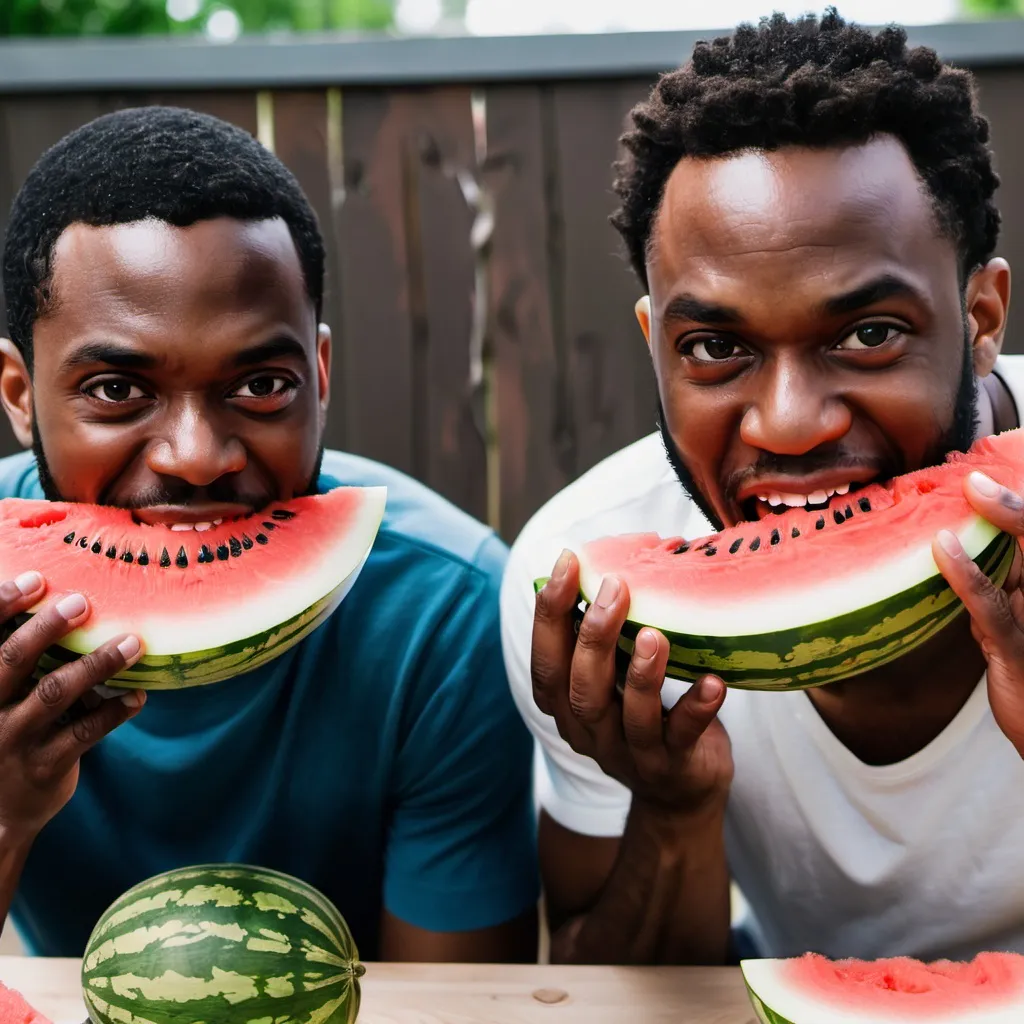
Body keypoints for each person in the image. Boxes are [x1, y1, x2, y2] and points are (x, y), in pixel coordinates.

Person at [501, 9, 1024, 965]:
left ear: (981, 315)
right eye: (715, 348)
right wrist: (674, 805)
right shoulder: (582, 583)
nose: (788, 423)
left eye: (867, 334)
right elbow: (595, 983)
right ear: (653, 343)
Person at [0, 105, 539, 961]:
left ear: (318, 374)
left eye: (258, 386)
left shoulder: (446, 611)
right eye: (115, 390)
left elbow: (457, 1006)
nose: (197, 457)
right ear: (21, 394)